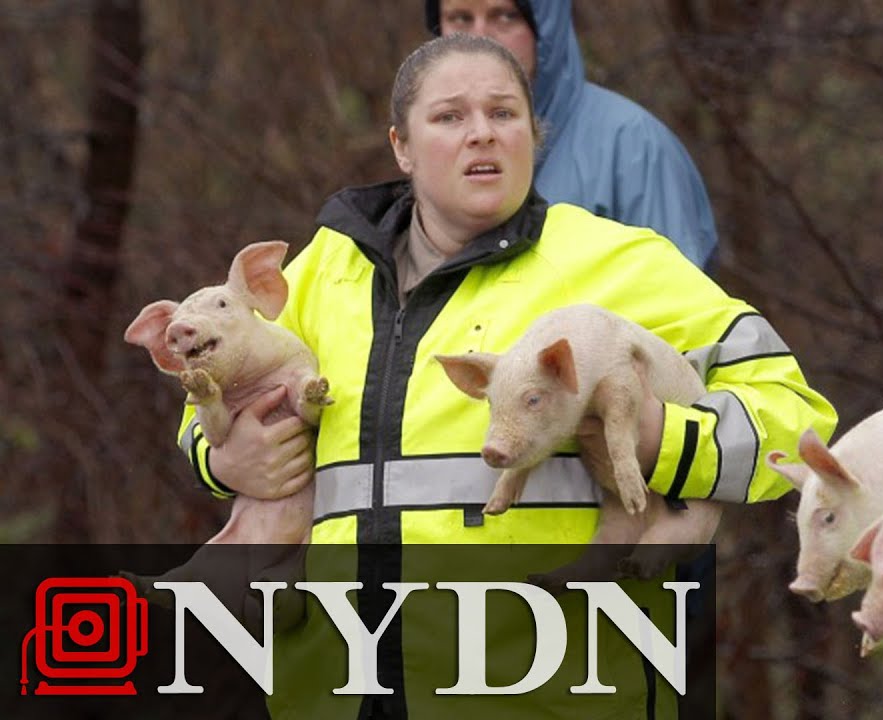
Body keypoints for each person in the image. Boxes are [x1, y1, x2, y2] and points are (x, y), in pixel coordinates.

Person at [174, 33, 835, 719]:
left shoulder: (621, 262)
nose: (481, 135)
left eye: (504, 114)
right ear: (401, 145)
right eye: (451, 117)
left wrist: (657, 437)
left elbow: (797, 419)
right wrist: (228, 458)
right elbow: (204, 405)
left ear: (534, 135)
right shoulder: (317, 276)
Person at [425, 0, 719, 269]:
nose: (480, 39)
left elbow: (676, 314)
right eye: (460, 19)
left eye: (505, 16)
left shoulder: (633, 147)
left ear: (546, 27)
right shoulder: (429, 149)